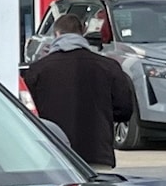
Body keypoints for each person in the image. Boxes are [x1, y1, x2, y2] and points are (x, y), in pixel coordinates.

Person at [23, 10, 136, 170]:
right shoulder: (109, 67)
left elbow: (30, 114)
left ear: (56, 34)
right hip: (97, 154)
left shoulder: (38, 70)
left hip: (55, 156)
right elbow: (124, 110)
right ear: (82, 32)